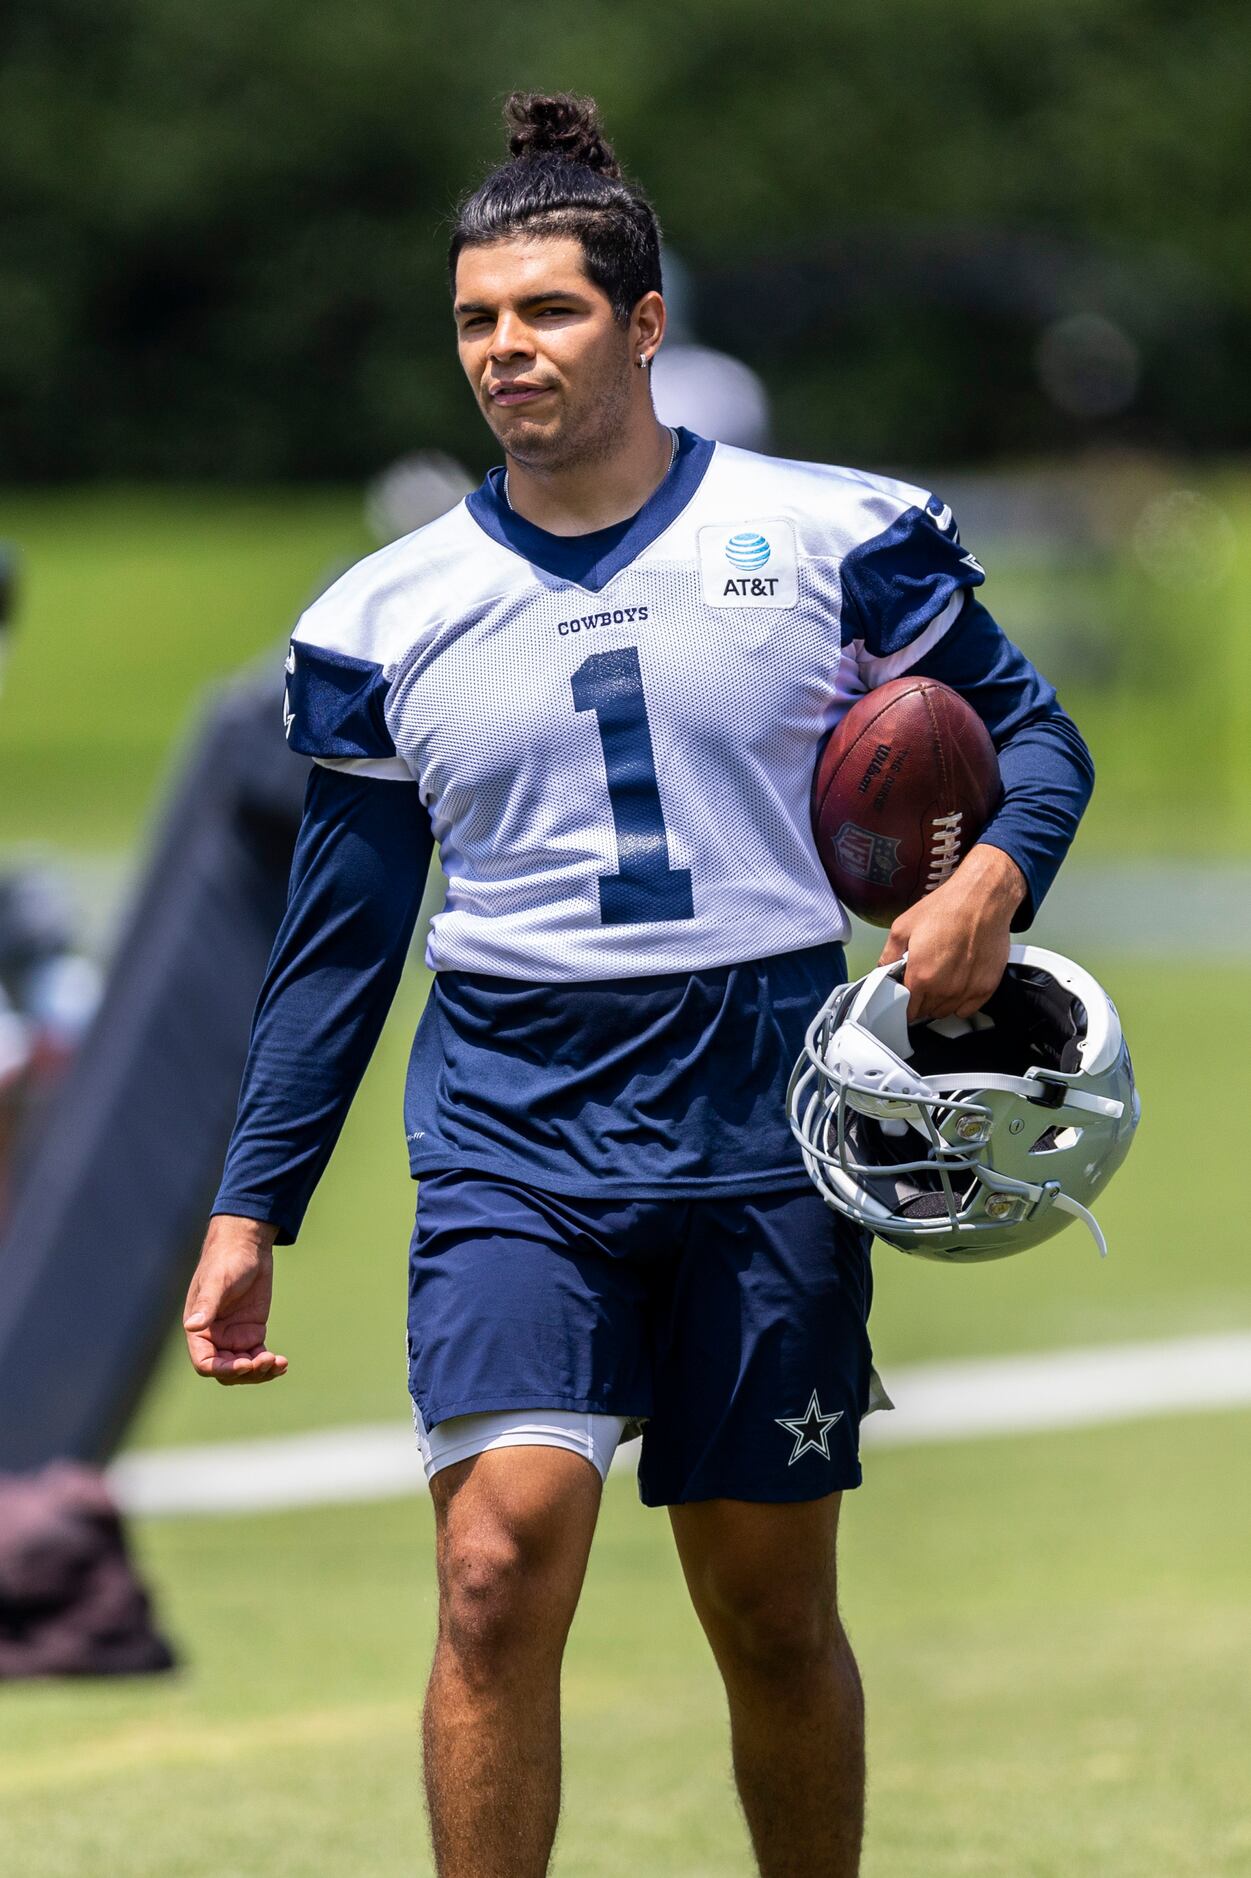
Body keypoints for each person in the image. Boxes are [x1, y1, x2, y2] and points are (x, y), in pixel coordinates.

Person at [183, 93, 1093, 1878]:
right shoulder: (381, 617)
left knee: (766, 1613)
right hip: (518, 1122)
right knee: (495, 1568)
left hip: (772, 1112)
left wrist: (991, 873)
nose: (506, 349)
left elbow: (1034, 738)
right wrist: (251, 1201)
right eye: (475, 319)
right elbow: (342, 940)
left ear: (646, 321)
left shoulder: (837, 535)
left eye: (550, 310)